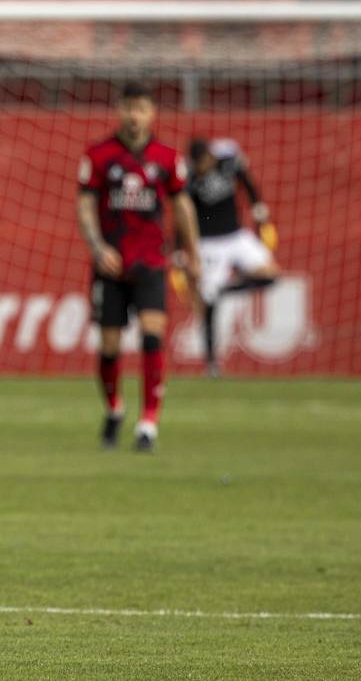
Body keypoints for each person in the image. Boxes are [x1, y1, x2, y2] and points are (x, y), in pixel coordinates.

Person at [76, 82, 200, 452]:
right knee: (110, 346)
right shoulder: (98, 156)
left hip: (151, 262)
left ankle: (148, 423)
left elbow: (182, 208)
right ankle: (115, 408)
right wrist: (97, 247)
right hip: (111, 264)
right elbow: (84, 206)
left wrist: (192, 253)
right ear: (120, 110)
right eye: (129, 107)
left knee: (152, 335)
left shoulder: (166, 159)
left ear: (152, 113)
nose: (135, 115)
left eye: (142, 108)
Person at [185, 138, 279, 378]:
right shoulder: (189, 180)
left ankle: (223, 289)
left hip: (236, 236)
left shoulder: (227, 163)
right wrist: (181, 250)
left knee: (271, 275)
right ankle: (211, 362)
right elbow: (181, 214)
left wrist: (259, 209)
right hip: (208, 244)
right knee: (207, 305)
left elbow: (245, 179)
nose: (203, 167)